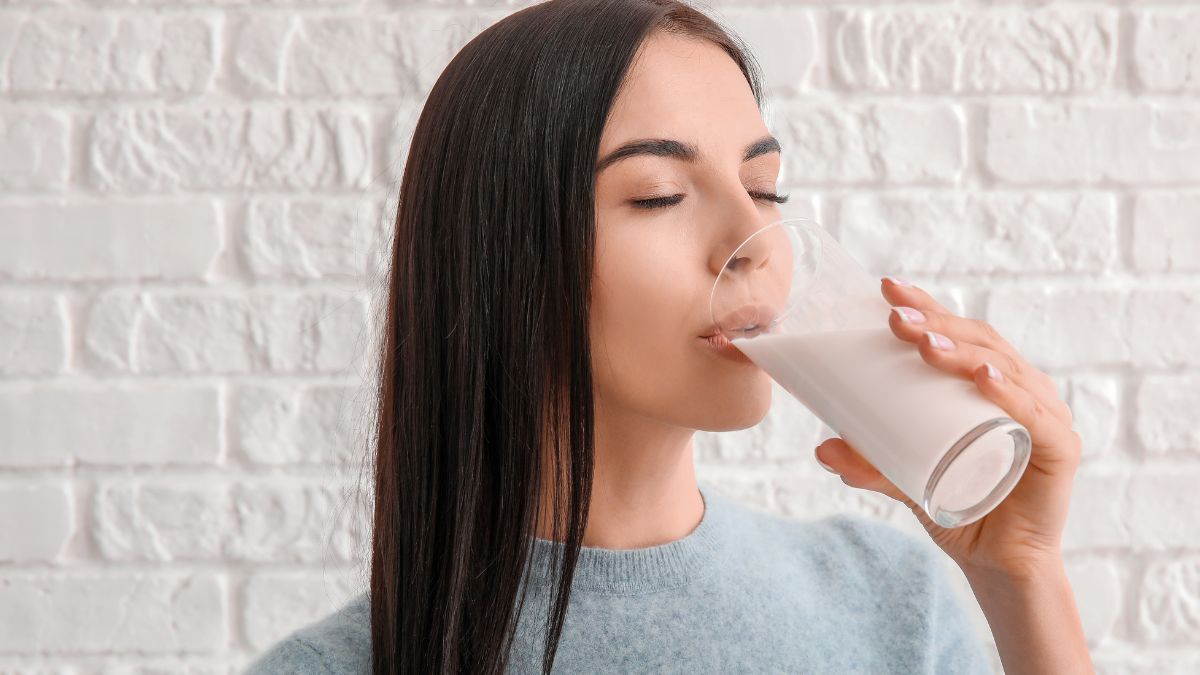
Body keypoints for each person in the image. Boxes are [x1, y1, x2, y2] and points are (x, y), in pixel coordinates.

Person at [245, 0, 1092, 673]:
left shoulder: (892, 603)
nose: (747, 243)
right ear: (503, 256)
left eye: (765, 189)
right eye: (658, 194)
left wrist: (1023, 577)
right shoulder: (337, 665)